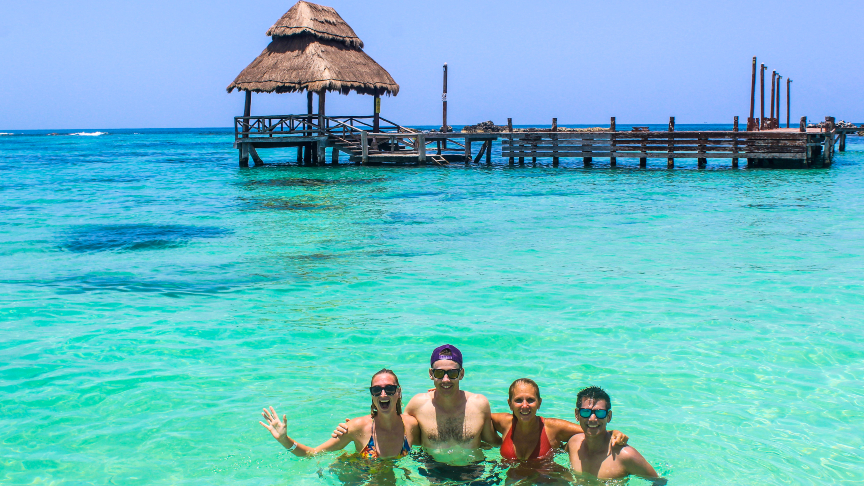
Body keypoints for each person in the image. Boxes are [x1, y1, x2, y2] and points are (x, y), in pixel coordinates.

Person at [259, 368, 419, 459]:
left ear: (398, 392)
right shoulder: (357, 428)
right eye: (376, 390)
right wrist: (284, 440)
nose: (383, 394)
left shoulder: (411, 425)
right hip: (362, 477)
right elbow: (313, 453)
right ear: (372, 394)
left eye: (389, 389)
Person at [492, 378, 628, 462]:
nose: (525, 405)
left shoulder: (552, 427)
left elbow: (590, 427)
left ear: (539, 403)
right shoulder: (504, 422)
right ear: (510, 404)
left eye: (531, 400)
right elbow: (479, 417)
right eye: (518, 400)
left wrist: (613, 433)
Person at [567, 386, 659, 480]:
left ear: (609, 416)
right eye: (586, 412)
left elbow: (660, 482)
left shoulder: (625, 455)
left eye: (600, 413)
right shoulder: (573, 444)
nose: (592, 419)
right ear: (577, 414)